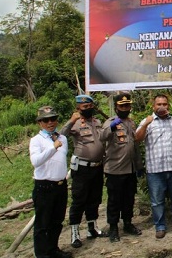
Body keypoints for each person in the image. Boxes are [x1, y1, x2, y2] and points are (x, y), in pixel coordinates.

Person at [135, 94, 172, 239]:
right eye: (159, 104)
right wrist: (145, 124)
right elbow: (137, 139)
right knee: (157, 201)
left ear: (168, 106)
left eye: (164, 104)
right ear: (154, 106)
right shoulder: (147, 121)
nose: (162, 107)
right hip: (155, 170)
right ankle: (160, 226)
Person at [59, 94, 107, 248]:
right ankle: (75, 233)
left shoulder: (97, 122)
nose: (88, 109)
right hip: (82, 168)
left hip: (98, 166)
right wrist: (71, 121)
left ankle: (92, 229)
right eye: (84, 107)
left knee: (95, 198)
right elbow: (60, 136)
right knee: (79, 200)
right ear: (78, 108)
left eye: (90, 106)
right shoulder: (75, 123)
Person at [29, 106, 72, 258]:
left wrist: (56, 145)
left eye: (53, 119)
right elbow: (36, 161)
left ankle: (53, 249)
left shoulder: (62, 138)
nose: (50, 122)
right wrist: (52, 148)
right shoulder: (37, 141)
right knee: (42, 224)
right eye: (46, 120)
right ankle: (42, 254)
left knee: (57, 221)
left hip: (60, 185)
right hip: (44, 186)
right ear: (40, 123)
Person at [100, 93, 144, 243]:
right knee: (114, 201)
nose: (125, 108)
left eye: (127, 105)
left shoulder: (131, 123)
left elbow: (135, 145)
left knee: (129, 199)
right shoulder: (110, 122)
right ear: (116, 107)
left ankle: (127, 224)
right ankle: (113, 228)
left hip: (130, 169)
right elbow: (102, 137)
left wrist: (139, 166)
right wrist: (111, 128)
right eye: (122, 106)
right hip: (115, 170)